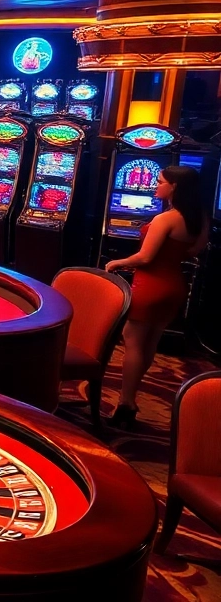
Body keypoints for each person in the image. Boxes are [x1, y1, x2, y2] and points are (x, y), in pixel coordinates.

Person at [105, 166, 208, 429]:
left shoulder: (166, 219)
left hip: (150, 285)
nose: (155, 185)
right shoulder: (200, 218)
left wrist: (117, 262)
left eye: (160, 182)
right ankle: (132, 395)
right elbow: (194, 250)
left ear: (174, 187)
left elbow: (146, 257)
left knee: (132, 341)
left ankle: (126, 404)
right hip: (174, 285)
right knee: (150, 341)